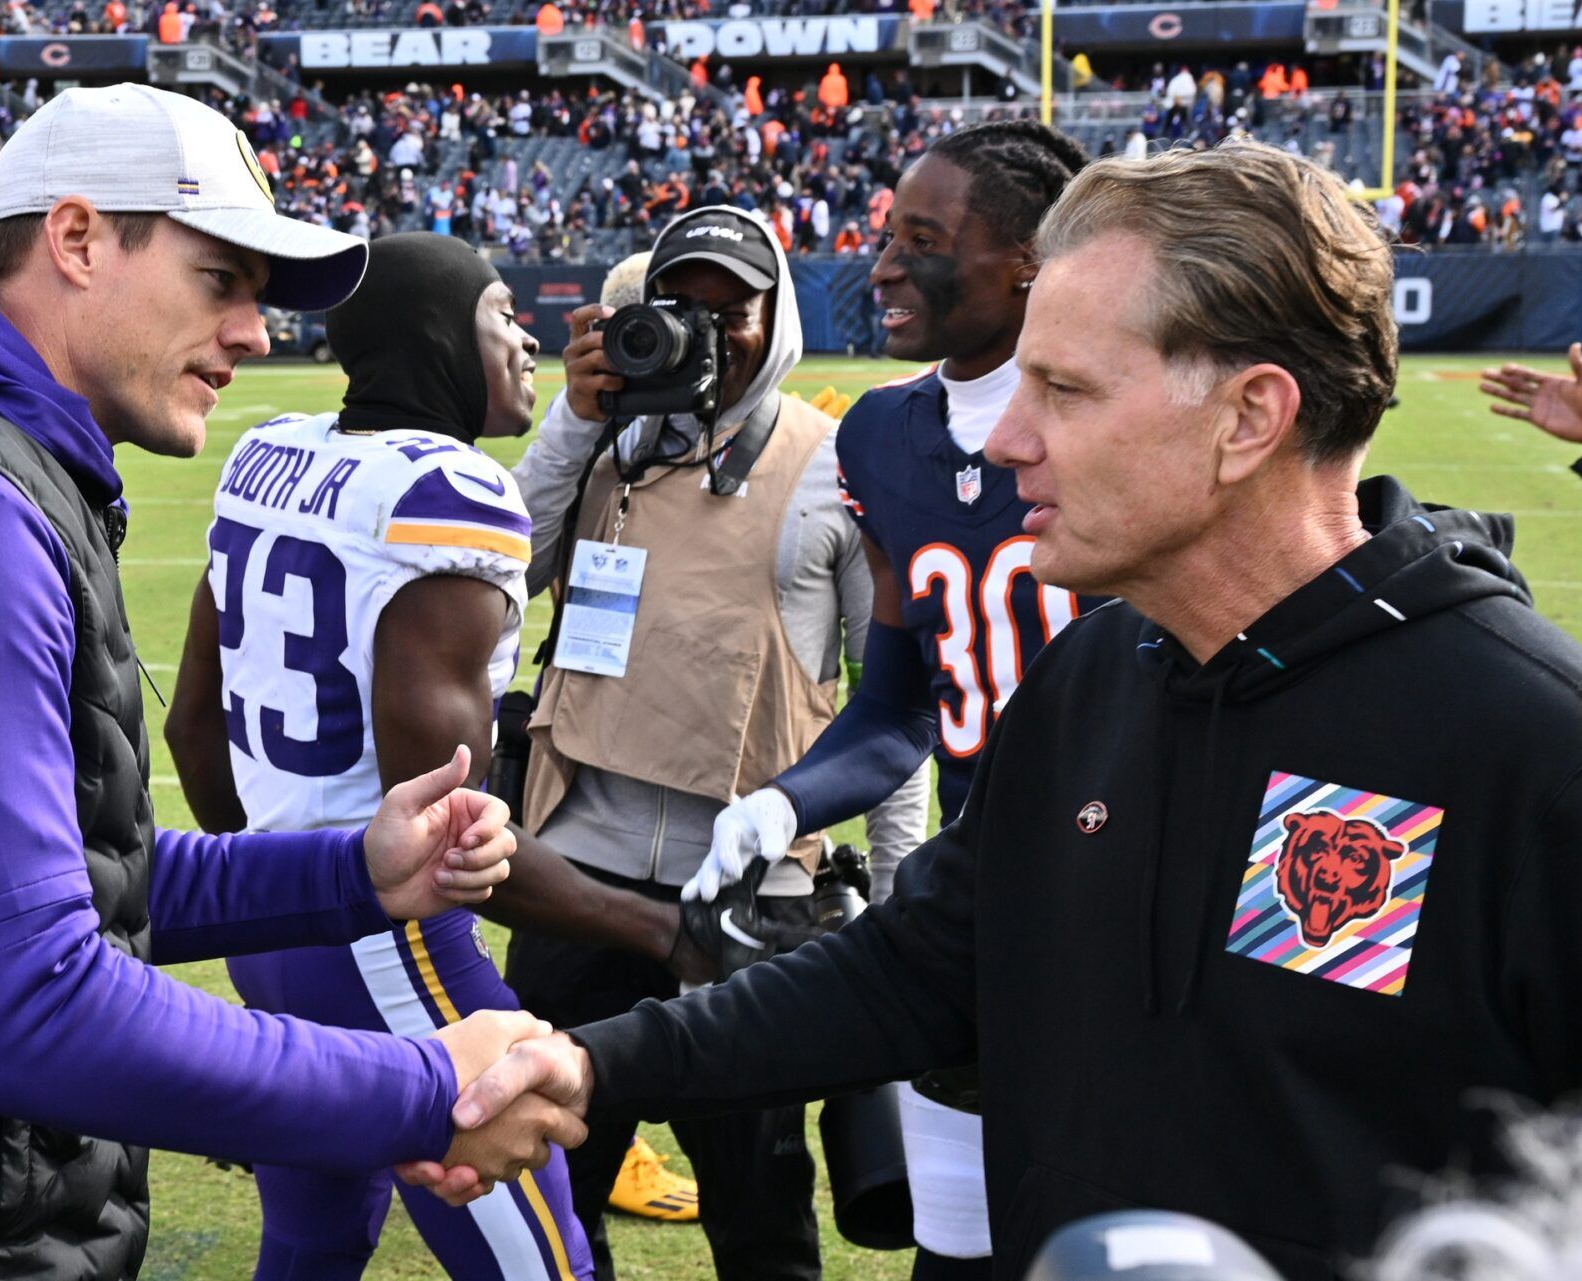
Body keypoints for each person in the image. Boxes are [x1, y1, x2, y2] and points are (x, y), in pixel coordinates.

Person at [418, 143, 1582, 1280]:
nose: (1010, 436)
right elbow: (919, 969)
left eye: (1064, 389)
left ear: (1249, 417)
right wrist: (581, 1063)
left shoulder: (1525, 746)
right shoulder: (1090, 677)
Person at [0, 84, 575, 1279]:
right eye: (222, 280)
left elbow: (70, 878)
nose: (255, 334)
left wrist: (350, 871)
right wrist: (422, 1087)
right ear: (79, 239)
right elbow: (24, 997)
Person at [687, 120, 1097, 1281]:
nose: (884, 266)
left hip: (1123, 904)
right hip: (974, 907)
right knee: (955, 1252)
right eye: (885, 236)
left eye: (927, 239)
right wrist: (784, 805)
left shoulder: (1128, 418)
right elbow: (901, 712)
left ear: (1033, 261)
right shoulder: (882, 433)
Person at [162, 232, 593, 1280]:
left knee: (312, 1243)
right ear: (442, 337)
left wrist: (273, 879)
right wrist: (664, 930)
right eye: (502, 313)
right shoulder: (451, 494)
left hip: (268, 915)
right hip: (387, 939)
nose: (525, 338)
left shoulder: (270, 449)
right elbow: (452, 833)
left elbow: (189, 726)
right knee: (542, 1264)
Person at [502, 203, 871, 1281]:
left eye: (733, 309)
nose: (706, 332)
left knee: (759, 1196)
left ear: (776, 313)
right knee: (554, 1189)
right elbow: (498, 575)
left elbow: (880, 697)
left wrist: (885, 886)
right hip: (578, 878)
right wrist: (576, 420)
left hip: (751, 890)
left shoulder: (829, 461)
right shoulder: (604, 447)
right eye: (681, 308)